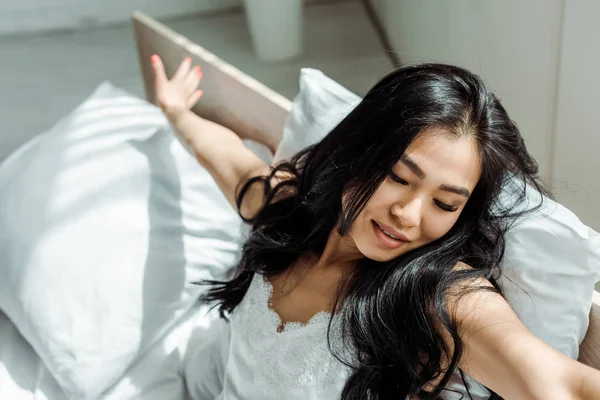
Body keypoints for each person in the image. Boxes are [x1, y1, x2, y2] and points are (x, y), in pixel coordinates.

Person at [150, 54, 600, 399]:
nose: (408, 214)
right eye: (398, 177)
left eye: (444, 203)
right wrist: (176, 111)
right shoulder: (291, 211)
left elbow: (557, 381)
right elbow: (228, 158)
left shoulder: (438, 295)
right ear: (359, 150)